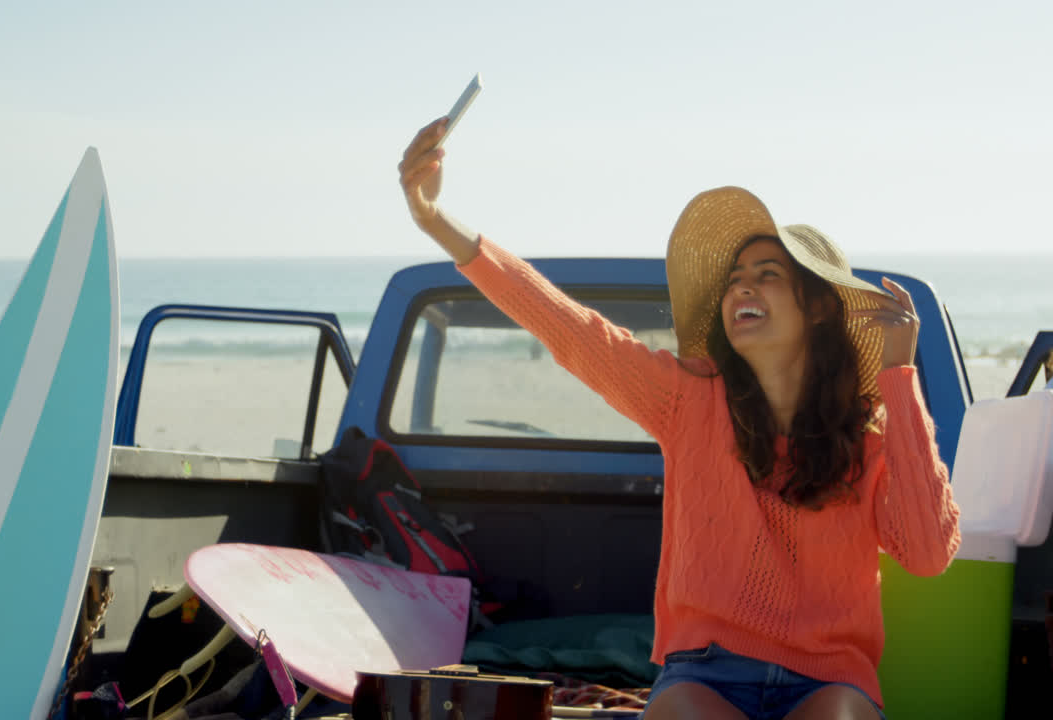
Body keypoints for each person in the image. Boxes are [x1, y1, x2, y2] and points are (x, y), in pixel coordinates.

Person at [397, 117, 961, 720]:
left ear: (820, 308)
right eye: (735, 280)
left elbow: (928, 553)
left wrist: (899, 378)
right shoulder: (688, 400)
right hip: (706, 672)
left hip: (829, 680)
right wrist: (436, 220)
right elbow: (569, 329)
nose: (743, 288)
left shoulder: (867, 436)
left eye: (767, 275)